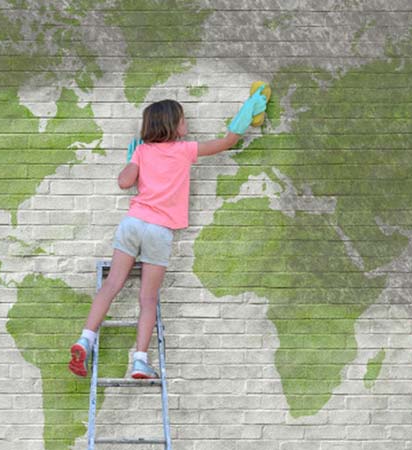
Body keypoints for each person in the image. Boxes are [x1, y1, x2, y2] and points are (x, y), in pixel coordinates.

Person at [69, 87, 268, 379]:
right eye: (184, 120)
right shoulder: (184, 150)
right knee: (148, 299)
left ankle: (84, 338)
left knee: (112, 285)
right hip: (159, 232)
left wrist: (133, 159)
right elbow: (228, 142)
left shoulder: (142, 150)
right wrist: (247, 113)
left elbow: (125, 182)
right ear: (173, 126)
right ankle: (139, 361)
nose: (187, 125)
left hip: (133, 223)